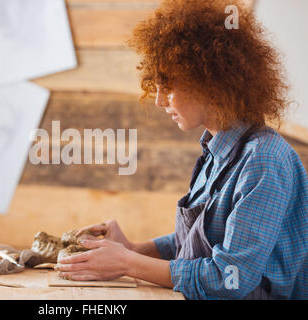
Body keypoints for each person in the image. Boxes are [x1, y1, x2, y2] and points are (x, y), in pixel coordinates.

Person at [56, 0, 307, 300]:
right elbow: (205, 240)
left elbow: (229, 278)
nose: (159, 100)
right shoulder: (216, 153)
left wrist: (127, 263)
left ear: (210, 81)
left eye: (168, 86)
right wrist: (134, 249)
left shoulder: (264, 160)